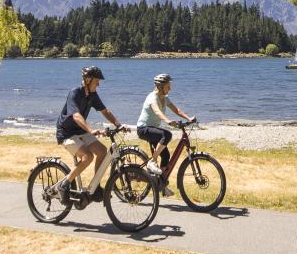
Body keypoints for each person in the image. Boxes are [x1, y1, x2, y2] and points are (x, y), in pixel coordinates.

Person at [53, 65, 122, 201]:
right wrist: (91, 130)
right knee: (87, 156)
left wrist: (118, 124)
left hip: (80, 131)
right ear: (88, 80)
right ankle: (64, 185)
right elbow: (76, 116)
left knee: (102, 151)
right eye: (97, 81)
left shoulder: (92, 95)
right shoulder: (75, 93)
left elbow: (105, 111)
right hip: (66, 133)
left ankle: (95, 186)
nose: (99, 84)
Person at [136, 73, 194, 194]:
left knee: (166, 156)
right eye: (168, 86)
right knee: (166, 135)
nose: (170, 88)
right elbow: (157, 111)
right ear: (160, 86)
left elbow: (176, 109)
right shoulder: (152, 97)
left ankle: (160, 184)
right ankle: (152, 161)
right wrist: (167, 120)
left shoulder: (165, 98)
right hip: (144, 129)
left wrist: (188, 118)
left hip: (153, 130)